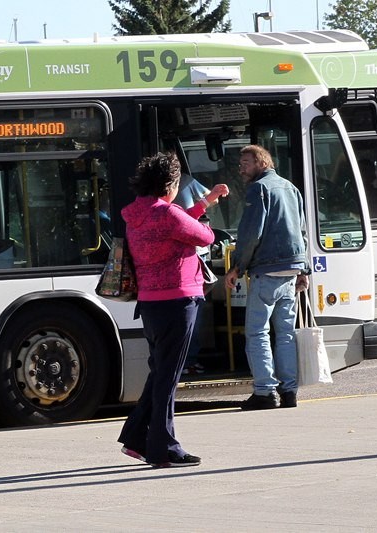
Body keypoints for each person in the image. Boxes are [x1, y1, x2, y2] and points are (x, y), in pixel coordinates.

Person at [117, 152, 229, 467]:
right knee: (168, 377)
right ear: (169, 184)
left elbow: (178, 223)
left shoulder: (137, 214)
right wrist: (204, 212)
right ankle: (163, 447)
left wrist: (204, 203)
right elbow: (205, 236)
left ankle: (137, 437)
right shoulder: (168, 214)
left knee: (160, 373)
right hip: (179, 300)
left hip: (151, 303)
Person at [224, 145, 309, 410]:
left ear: (262, 162)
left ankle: (265, 391)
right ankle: (290, 391)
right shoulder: (290, 188)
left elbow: (251, 234)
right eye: (241, 164)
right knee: (285, 333)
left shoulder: (258, 189)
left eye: (246, 163)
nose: (241, 168)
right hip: (291, 270)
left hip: (266, 269)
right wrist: (304, 270)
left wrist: (237, 266)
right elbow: (302, 231)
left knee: (258, 332)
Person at [174, 173, 212, 376]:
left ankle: (180, 360)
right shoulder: (185, 180)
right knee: (193, 310)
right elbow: (205, 233)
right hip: (192, 258)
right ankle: (189, 360)